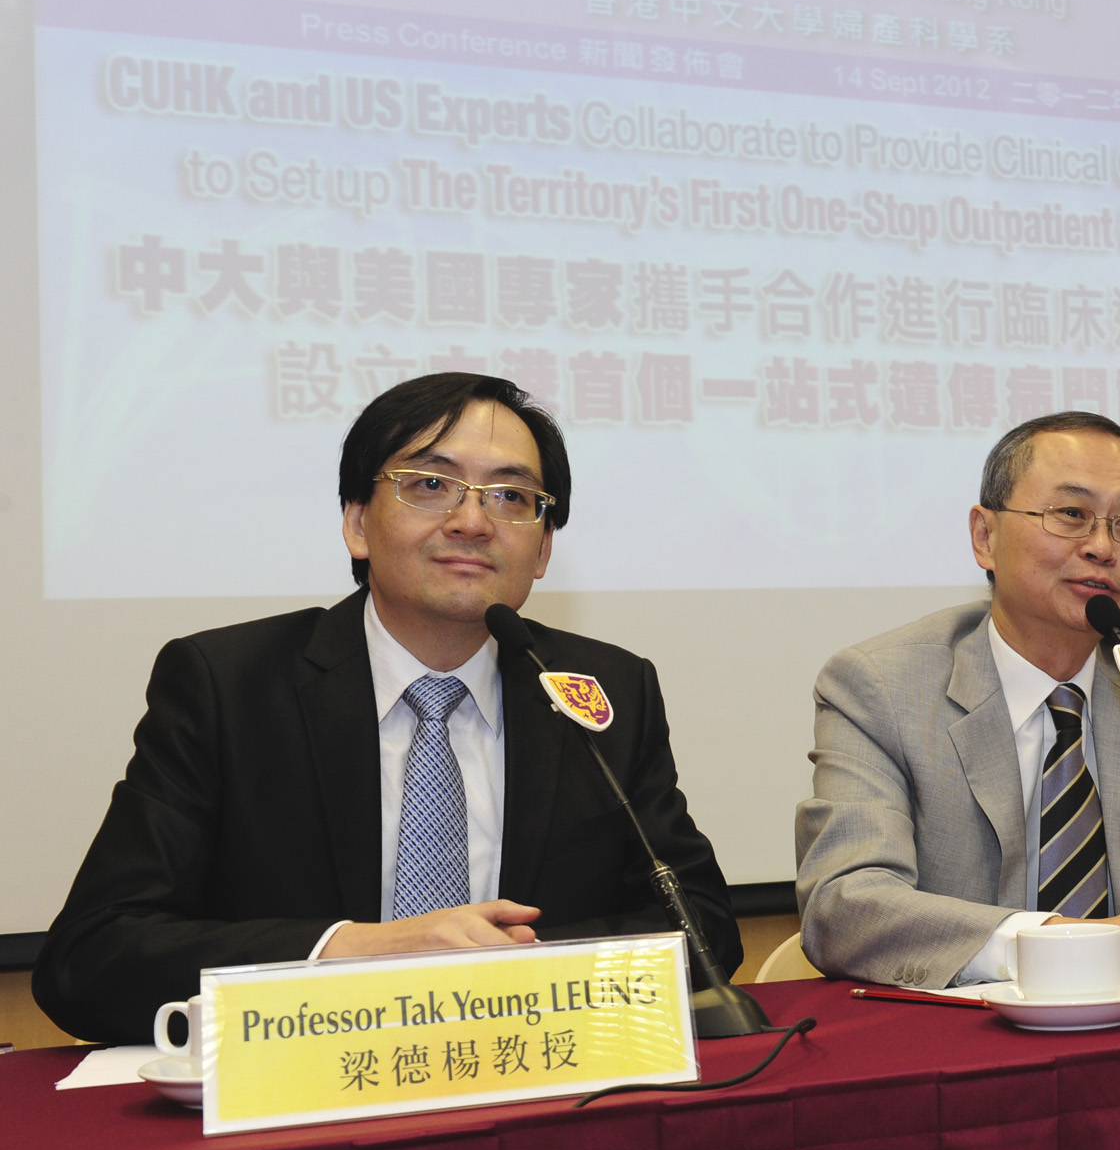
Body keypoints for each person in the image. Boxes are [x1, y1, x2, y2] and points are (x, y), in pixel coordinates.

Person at [34, 373, 740, 1043]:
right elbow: (90, 957)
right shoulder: (229, 686)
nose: (472, 520)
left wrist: (508, 974)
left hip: (536, 1085)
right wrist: (355, 951)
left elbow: (703, 928)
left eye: (511, 497)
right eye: (430, 484)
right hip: (299, 1104)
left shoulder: (601, 687)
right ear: (358, 524)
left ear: (545, 545)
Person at [795, 412, 1120, 989]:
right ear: (985, 537)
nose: (1101, 547)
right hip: (969, 1040)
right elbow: (846, 904)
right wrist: (1077, 947)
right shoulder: (881, 685)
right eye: (1070, 515)